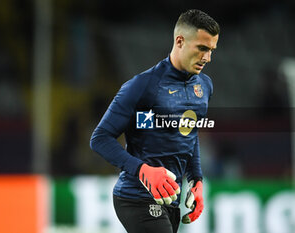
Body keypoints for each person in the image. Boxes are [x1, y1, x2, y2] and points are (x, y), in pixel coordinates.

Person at [90, 9, 219, 233]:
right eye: (202, 48)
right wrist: (144, 171)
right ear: (180, 41)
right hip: (136, 198)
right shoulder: (143, 86)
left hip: (171, 201)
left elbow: (189, 134)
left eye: (211, 50)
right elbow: (100, 139)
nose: (207, 58)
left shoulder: (204, 87)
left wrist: (196, 180)